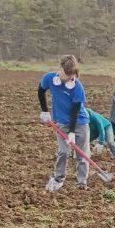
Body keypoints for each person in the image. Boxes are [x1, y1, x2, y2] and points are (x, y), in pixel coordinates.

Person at [37, 55, 91, 191]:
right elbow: (40, 90)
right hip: (61, 122)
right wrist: (45, 111)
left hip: (80, 122)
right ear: (60, 68)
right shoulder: (49, 78)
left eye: (72, 75)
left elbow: (75, 110)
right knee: (63, 152)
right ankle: (58, 179)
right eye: (67, 74)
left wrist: (72, 131)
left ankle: (81, 183)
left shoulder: (77, 86)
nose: (69, 78)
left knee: (82, 154)